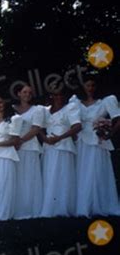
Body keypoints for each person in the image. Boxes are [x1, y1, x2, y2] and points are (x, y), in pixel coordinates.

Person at [69, 77, 120, 216]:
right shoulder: (76, 102)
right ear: (83, 86)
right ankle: (83, 205)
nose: (90, 88)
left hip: (98, 140)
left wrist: (109, 134)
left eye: (92, 85)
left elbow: (117, 119)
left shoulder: (105, 101)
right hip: (82, 140)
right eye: (87, 85)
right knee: (82, 172)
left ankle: (101, 203)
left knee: (97, 171)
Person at [39, 88, 82, 217]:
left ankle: (63, 206)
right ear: (51, 96)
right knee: (49, 175)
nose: (57, 97)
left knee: (62, 176)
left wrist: (60, 137)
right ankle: (49, 205)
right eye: (55, 94)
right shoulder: (45, 111)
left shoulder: (70, 108)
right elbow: (38, 128)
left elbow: (77, 126)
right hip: (49, 146)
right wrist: (45, 138)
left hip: (63, 146)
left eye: (60, 94)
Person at [13, 85, 44, 219]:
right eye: (24, 92)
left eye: (30, 92)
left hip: (29, 146)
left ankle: (30, 208)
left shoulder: (37, 110)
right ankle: (14, 207)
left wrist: (20, 141)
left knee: (29, 178)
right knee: (16, 178)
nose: (27, 94)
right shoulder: (12, 109)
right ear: (19, 93)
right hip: (14, 148)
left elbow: (35, 129)